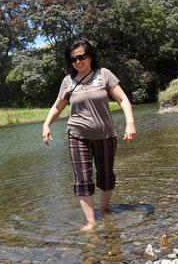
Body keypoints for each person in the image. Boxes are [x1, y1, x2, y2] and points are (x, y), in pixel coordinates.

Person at [42, 39, 136, 232]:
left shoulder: (104, 75)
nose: (78, 61)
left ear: (91, 57)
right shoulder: (68, 81)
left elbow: (122, 99)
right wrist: (46, 124)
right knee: (83, 179)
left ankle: (103, 211)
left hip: (106, 135)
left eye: (82, 57)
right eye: (73, 59)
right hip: (77, 135)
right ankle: (91, 222)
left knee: (106, 176)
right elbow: (58, 106)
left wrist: (130, 123)